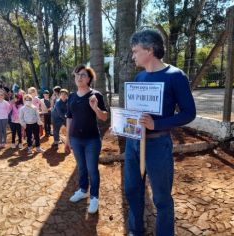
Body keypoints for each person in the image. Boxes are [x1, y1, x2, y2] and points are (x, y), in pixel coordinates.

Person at [124, 29, 196, 236]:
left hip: (158, 145)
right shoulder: (139, 77)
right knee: (132, 190)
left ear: (150, 49)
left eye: (135, 51)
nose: (133, 55)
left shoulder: (175, 76)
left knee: (162, 198)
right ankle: (135, 230)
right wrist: (123, 125)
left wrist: (158, 125)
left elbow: (189, 113)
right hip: (134, 143)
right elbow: (135, 113)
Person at [65, 64, 108, 214]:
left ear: (89, 78)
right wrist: (67, 139)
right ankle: (83, 190)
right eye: (77, 74)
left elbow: (104, 117)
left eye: (83, 75)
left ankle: (94, 197)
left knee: (92, 169)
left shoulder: (96, 95)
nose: (79, 77)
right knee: (81, 167)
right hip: (76, 139)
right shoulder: (71, 96)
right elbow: (69, 118)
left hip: (92, 140)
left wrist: (95, 108)